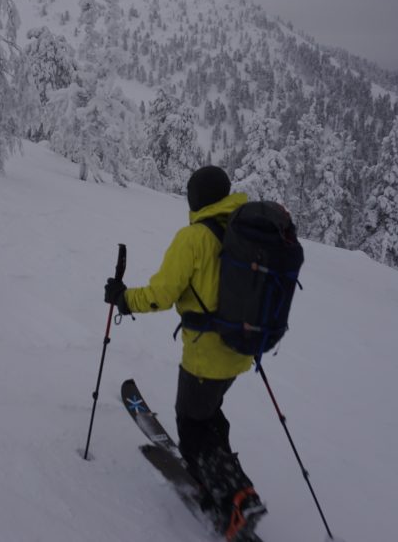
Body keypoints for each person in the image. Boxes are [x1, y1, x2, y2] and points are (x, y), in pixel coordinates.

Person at [104, 165, 266, 538]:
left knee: (191, 426)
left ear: (196, 199)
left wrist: (123, 299)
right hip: (239, 352)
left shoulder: (193, 238)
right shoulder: (240, 232)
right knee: (208, 413)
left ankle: (235, 497)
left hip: (205, 355)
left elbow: (162, 295)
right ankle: (226, 480)